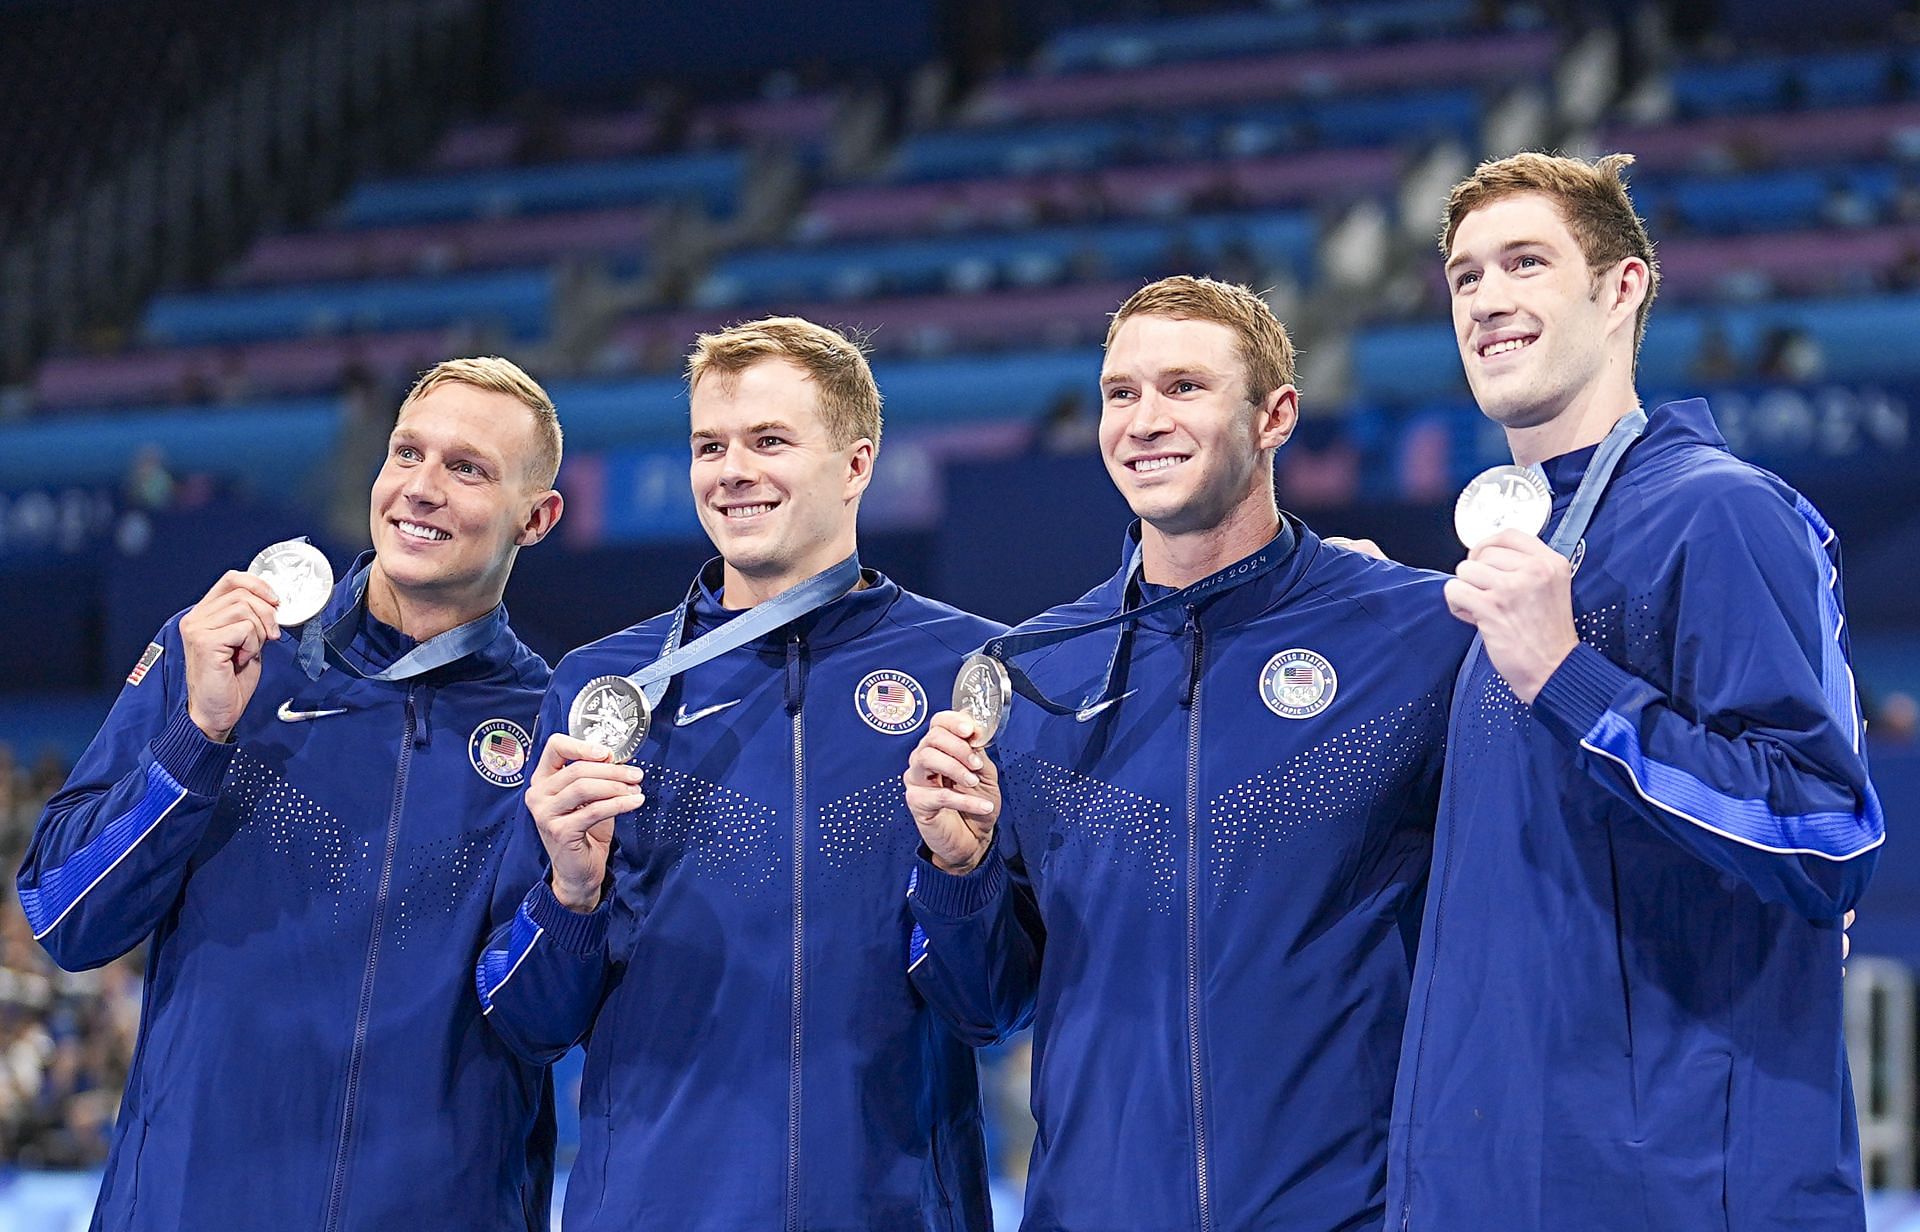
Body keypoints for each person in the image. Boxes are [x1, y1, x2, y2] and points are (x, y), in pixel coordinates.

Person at [902, 276, 1472, 1229]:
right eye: (1120, 393)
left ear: (1276, 414)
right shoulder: (1030, 673)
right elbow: (985, 1009)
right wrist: (957, 871)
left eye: (1184, 388)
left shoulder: (1418, 636)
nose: (1143, 420)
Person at [1388, 152, 1883, 1230]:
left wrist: (1571, 678)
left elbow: (1823, 828)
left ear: (1623, 289)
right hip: (1494, 1182)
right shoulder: (1521, 558)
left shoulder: (1722, 512)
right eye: (1466, 276)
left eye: (1526, 262)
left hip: (1677, 1190)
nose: (1487, 298)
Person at [17, 357, 565, 1230]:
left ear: (535, 519)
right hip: (194, 1205)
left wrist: (574, 892)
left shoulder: (553, 728)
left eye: (467, 468)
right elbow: (62, 916)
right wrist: (196, 736)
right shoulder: (228, 652)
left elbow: (547, 1019)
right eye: (406, 454)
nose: (420, 488)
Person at [477, 317, 998, 1230]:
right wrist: (568, 891)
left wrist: (962, 878)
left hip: (891, 1210)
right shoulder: (605, 691)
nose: (731, 471)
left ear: (856, 463)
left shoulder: (966, 673)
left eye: (769, 442)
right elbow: (528, 1022)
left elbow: (997, 1003)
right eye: (708, 446)